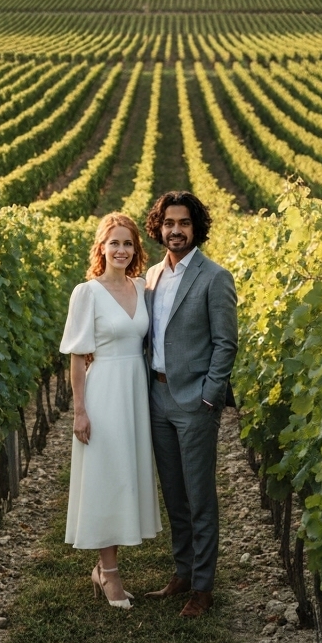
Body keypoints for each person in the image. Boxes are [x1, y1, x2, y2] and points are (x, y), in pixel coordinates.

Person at [59, 212, 162, 609]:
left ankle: (105, 569)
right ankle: (109, 575)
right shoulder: (87, 292)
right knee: (105, 477)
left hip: (135, 391)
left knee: (125, 475)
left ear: (136, 249)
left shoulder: (141, 286)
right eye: (114, 242)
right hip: (103, 392)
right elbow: (76, 357)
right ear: (101, 247)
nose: (121, 250)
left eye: (128, 243)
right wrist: (80, 410)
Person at [143, 192, 238, 619]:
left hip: (194, 401)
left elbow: (226, 343)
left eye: (183, 222)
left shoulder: (214, 277)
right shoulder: (150, 276)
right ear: (159, 228)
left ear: (196, 227)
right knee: (174, 494)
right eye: (168, 223)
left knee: (200, 497)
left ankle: (203, 587)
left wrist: (209, 396)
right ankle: (182, 571)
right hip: (157, 397)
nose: (175, 230)